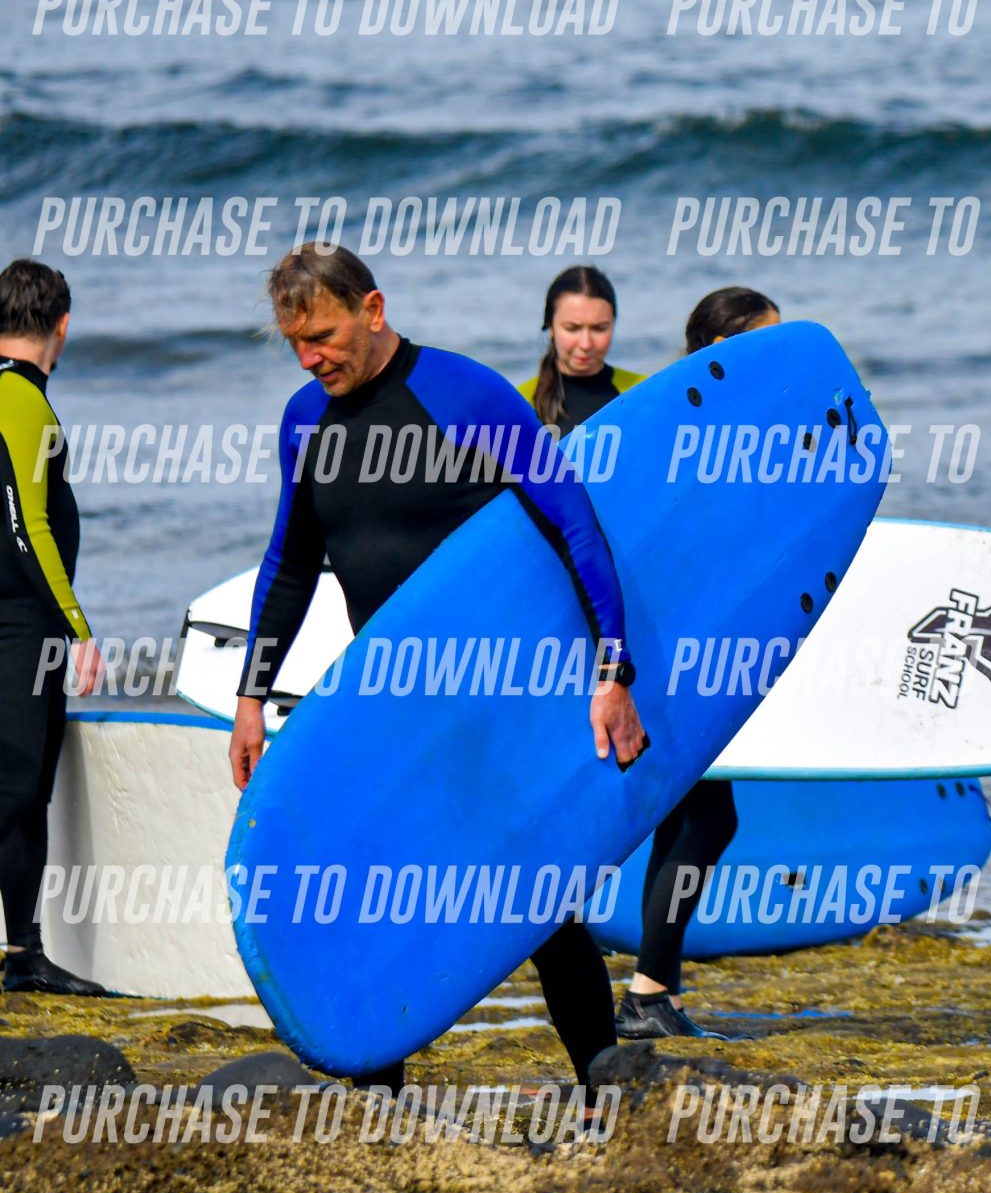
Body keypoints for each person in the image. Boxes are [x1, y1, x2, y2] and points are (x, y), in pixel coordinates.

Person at [229, 243, 650, 1092]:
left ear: (373, 309)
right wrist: (251, 695)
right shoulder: (304, 421)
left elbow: (573, 521)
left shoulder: (462, 394)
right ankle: (380, 1102)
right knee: (378, 896)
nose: (310, 359)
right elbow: (290, 563)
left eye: (323, 336)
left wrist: (615, 671)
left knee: (539, 902)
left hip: (491, 705)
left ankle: (602, 1088)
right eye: (296, 343)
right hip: (389, 710)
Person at [610, 284, 781, 1040]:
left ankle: (658, 992)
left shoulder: (706, 414)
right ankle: (648, 991)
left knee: (688, 816)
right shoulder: (696, 421)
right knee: (709, 818)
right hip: (678, 648)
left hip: (689, 644)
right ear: (719, 348)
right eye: (763, 338)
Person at [0, 260, 107, 995]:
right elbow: (26, 526)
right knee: (17, 786)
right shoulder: (21, 398)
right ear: (61, 325)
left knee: (26, 785)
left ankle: (23, 952)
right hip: (19, 622)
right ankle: (23, 953)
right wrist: (78, 627)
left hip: (18, 621)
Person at [520, 265, 640, 435]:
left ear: (613, 325)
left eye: (599, 328)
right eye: (572, 328)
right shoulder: (520, 403)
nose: (586, 344)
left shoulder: (644, 391)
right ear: (551, 327)